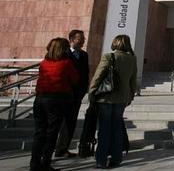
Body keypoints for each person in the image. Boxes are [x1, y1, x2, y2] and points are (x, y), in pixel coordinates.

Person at [88, 35, 137, 169]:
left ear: (115, 43)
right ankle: (116, 158)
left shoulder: (109, 57)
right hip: (121, 99)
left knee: (104, 130)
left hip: (106, 97)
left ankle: (101, 160)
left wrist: (91, 92)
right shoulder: (132, 59)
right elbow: (133, 81)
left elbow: (98, 76)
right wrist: (131, 96)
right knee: (116, 129)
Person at [30, 38, 79, 171]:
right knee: (52, 133)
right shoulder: (66, 63)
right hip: (56, 100)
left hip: (40, 99)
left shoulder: (44, 63)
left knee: (39, 132)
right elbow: (75, 79)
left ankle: (34, 164)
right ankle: (46, 163)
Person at [55, 30, 89, 158]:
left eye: (83, 38)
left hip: (76, 94)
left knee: (70, 122)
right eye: (79, 38)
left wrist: (83, 89)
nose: (82, 40)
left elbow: (85, 74)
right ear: (72, 39)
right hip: (63, 93)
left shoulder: (84, 55)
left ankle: (63, 148)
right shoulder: (64, 54)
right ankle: (50, 149)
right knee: (58, 122)